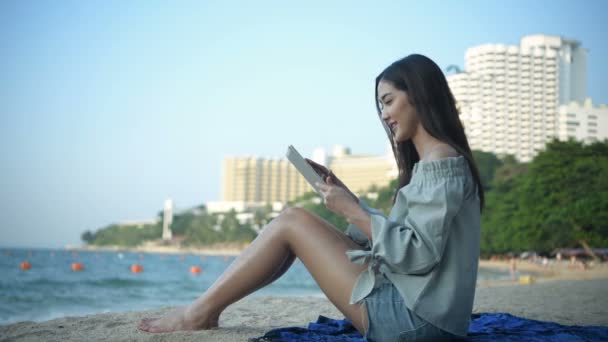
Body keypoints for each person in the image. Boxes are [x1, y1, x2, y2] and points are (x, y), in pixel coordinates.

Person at [138, 54, 484, 341]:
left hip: (417, 323)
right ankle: (204, 310)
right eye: (380, 105)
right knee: (294, 224)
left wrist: (352, 212)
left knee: (292, 221)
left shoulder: (440, 161)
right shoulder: (434, 163)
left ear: (420, 95)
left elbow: (416, 255)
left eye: (388, 101)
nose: (384, 115)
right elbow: (410, 243)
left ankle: (199, 313)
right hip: (427, 317)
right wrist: (352, 202)